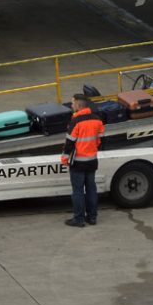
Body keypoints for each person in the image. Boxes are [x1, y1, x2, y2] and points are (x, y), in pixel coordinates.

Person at [61, 94, 105, 227]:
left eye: (73, 103)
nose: (71, 105)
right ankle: (92, 217)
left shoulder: (75, 121)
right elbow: (100, 140)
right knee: (91, 188)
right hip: (92, 161)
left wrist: (65, 158)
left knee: (78, 191)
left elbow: (69, 143)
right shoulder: (97, 119)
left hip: (78, 163)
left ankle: (78, 219)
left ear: (79, 106)